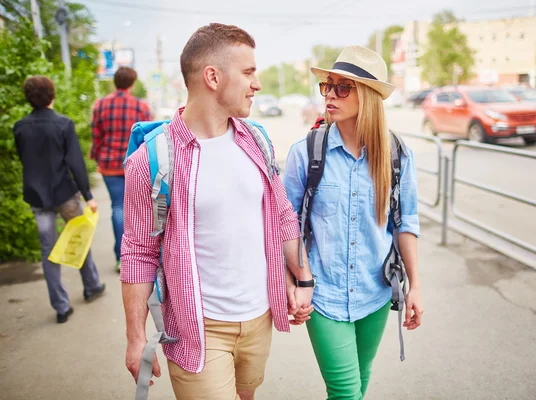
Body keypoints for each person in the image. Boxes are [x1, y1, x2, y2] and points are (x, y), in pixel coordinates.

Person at [120, 23, 314, 400]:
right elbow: (138, 253)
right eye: (248, 72)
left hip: (261, 318)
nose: (256, 84)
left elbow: (282, 216)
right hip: (199, 331)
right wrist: (135, 338)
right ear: (212, 76)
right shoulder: (153, 160)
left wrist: (301, 278)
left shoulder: (255, 139)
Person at [283, 46, 424, 400]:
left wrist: (415, 286)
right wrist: (295, 280)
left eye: (342, 87)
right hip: (323, 294)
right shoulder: (306, 153)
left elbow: (406, 222)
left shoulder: (396, 155)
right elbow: (286, 225)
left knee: (360, 382)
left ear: (368, 96)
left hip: (375, 292)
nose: (330, 94)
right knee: (345, 392)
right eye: (327, 86)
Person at [13, 76, 106, 324]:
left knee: (48, 250)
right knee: (79, 238)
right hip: (65, 193)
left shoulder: (20, 126)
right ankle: (91, 285)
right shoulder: (64, 124)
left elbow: (24, 159)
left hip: (37, 196)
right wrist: (88, 196)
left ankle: (61, 306)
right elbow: (75, 163)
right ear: (52, 95)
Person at [91, 67, 152, 272]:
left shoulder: (100, 105)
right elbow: (148, 137)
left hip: (109, 164)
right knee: (138, 209)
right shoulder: (140, 106)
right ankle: (139, 254)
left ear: (115, 82)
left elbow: (96, 135)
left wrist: (95, 155)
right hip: (135, 163)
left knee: (118, 207)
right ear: (132, 83)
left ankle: (121, 257)